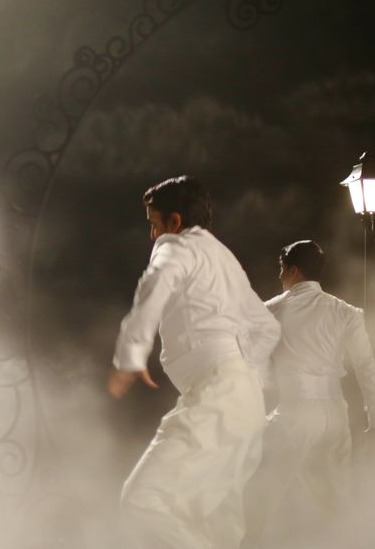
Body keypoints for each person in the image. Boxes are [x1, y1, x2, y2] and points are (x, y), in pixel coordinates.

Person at [109, 175, 281, 549]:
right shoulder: (225, 259)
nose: (152, 236)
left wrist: (131, 354)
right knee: (217, 526)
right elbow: (267, 326)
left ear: (174, 222)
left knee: (143, 500)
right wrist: (246, 372)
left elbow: (155, 284)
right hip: (245, 401)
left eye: (153, 224)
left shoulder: (178, 247)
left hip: (218, 394)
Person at [244, 240, 375, 546]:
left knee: (254, 492)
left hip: (295, 414)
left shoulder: (272, 309)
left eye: (281, 269)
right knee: (335, 503)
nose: (279, 275)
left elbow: (248, 360)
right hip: (335, 414)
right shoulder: (346, 312)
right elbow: (366, 367)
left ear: (293, 271)